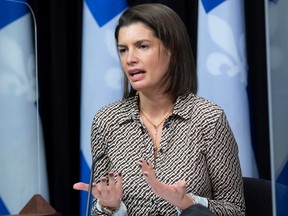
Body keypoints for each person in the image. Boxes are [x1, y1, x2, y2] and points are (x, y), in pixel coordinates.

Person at [73, 3, 245, 216]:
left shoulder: (208, 119)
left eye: (142, 46)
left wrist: (188, 202)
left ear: (171, 51)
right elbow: (98, 210)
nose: (130, 59)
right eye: (123, 49)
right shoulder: (107, 121)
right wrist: (110, 207)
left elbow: (235, 210)